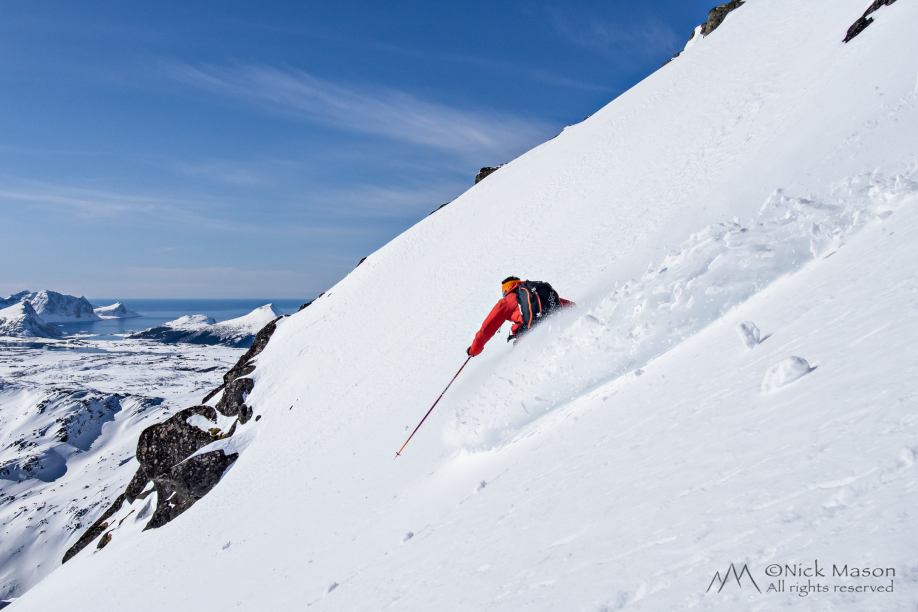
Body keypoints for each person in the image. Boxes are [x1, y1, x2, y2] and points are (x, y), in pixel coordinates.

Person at [466, 276, 574, 357]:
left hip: (530, 337)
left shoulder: (507, 301)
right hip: (555, 325)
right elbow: (563, 303)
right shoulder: (533, 289)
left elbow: (487, 328)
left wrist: (474, 350)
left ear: (505, 291)